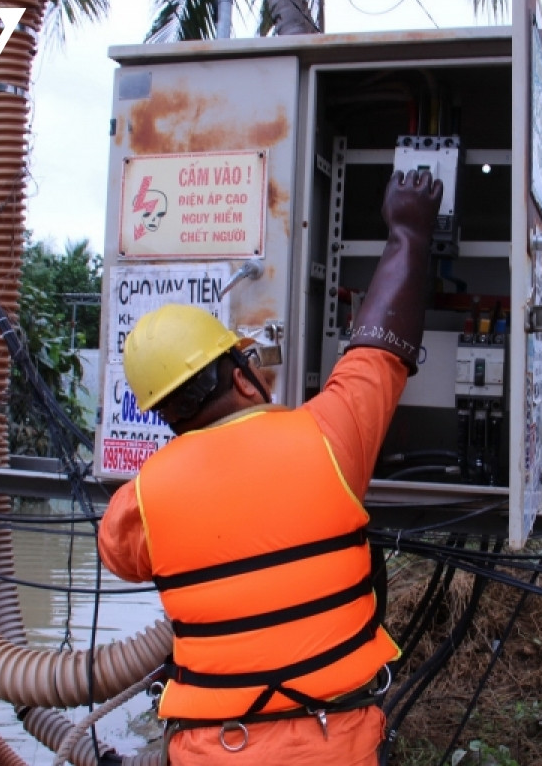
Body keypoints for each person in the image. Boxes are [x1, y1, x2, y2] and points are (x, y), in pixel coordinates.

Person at [99, 169, 444, 765]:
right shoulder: (327, 439)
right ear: (242, 377)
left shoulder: (138, 505)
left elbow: (122, 555)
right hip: (335, 748)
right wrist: (409, 230)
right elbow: (381, 346)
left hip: (213, 750)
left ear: (165, 414)